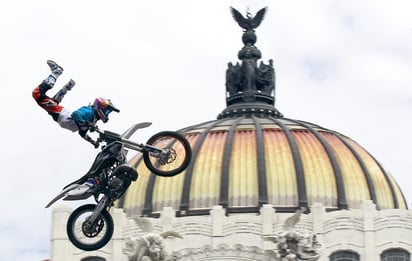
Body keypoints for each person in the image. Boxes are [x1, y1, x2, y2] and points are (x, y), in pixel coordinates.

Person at [32, 60, 120, 148]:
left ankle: (67, 87)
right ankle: (56, 72)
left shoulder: (93, 119)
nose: (106, 114)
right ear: (100, 106)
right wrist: (85, 122)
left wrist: (93, 142)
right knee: (37, 94)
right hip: (59, 112)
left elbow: (82, 134)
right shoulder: (90, 111)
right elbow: (75, 114)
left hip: (58, 114)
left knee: (53, 102)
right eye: (107, 111)